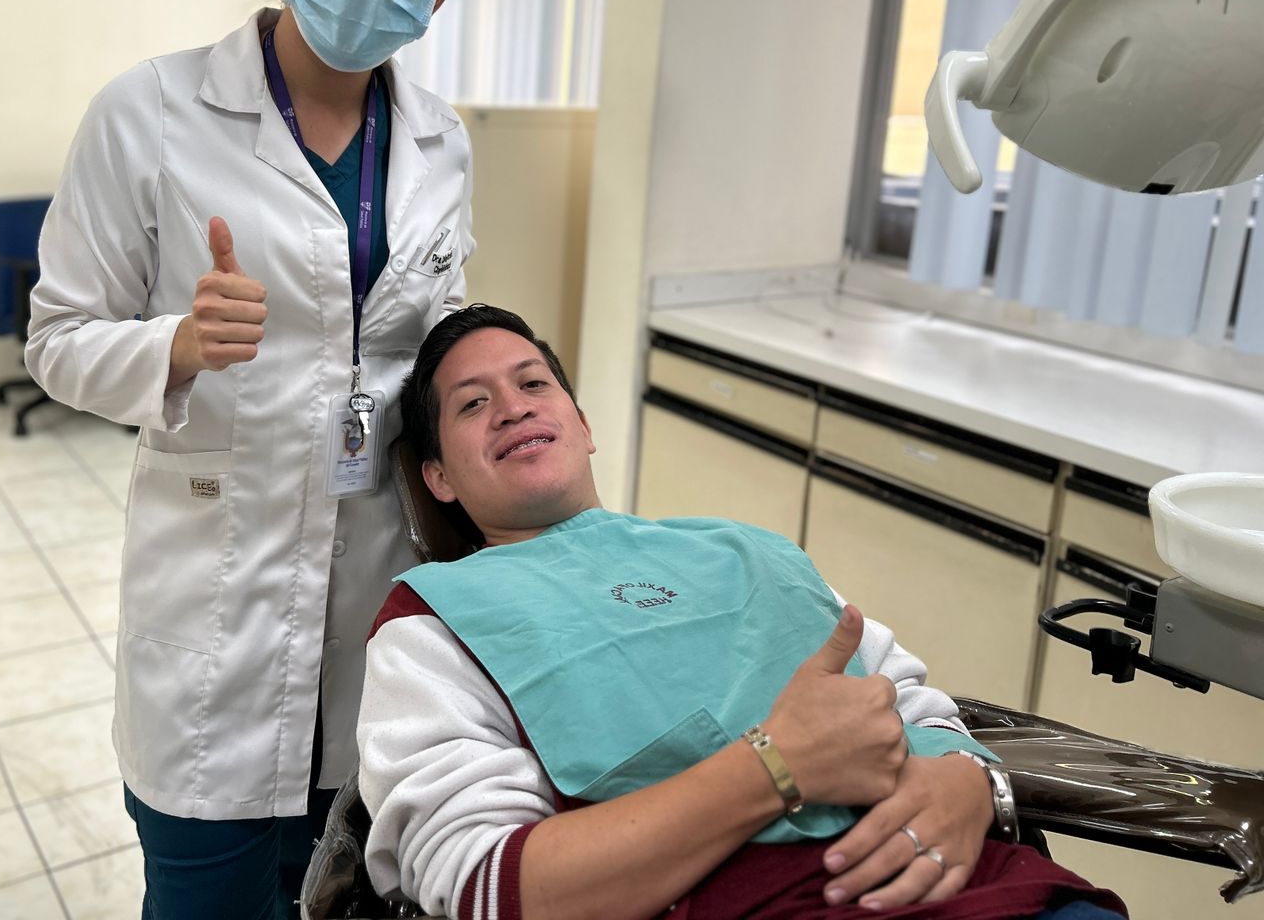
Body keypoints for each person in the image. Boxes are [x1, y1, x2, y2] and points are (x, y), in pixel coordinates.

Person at [25, 0, 477, 918]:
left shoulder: (442, 144)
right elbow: (55, 338)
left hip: (372, 614)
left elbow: (433, 339)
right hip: (215, 627)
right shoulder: (154, 112)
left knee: (336, 894)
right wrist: (171, 345)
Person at [357, 305, 1125, 920]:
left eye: (533, 384)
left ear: (584, 427)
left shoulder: (743, 552)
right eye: (472, 404)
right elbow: (487, 887)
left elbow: (911, 702)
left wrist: (968, 784)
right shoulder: (431, 628)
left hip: (975, 886)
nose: (512, 409)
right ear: (439, 477)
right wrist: (775, 766)